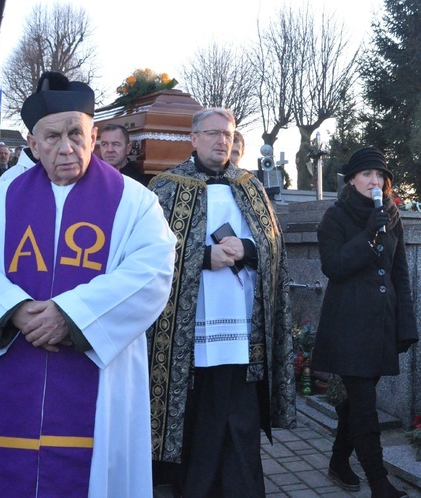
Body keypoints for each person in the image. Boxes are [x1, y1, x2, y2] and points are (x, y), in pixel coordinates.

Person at [0, 71, 177, 497]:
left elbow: (153, 271)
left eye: (76, 133)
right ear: (32, 144)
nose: (65, 147)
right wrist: (13, 309)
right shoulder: (1, 197)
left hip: (99, 381)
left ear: (95, 134)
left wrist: (70, 315)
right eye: (51, 136)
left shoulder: (133, 200)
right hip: (15, 369)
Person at [147, 108, 296, 497]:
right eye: (212, 134)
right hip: (187, 327)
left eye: (227, 135)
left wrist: (246, 248)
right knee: (197, 414)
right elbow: (146, 253)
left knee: (239, 413)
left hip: (241, 322)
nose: (221, 141)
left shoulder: (250, 186)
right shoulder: (165, 187)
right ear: (193, 139)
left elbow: (273, 246)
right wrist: (201, 256)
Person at [311, 147, 417, 498]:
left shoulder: (391, 213)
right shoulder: (335, 218)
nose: (375, 182)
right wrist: (368, 234)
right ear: (352, 179)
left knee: (358, 402)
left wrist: (406, 323)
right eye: (368, 175)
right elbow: (334, 267)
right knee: (365, 403)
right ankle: (379, 481)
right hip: (349, 325)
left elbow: (400, 272)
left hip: (382, 322)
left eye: (380, 176)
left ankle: (338, 462)